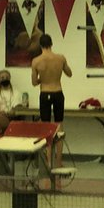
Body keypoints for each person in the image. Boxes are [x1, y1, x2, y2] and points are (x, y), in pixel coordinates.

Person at [31, 34, 71, 167]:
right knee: (59, 127)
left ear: (40, 46)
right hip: (58, 92)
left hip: (45, 92)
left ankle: (48, 161)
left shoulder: (36, 61)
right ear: (51, 44)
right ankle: (59, 161)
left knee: (46, 128)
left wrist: (44, 77)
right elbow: (69, 73)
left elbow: (34, 82)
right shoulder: (60, 58)